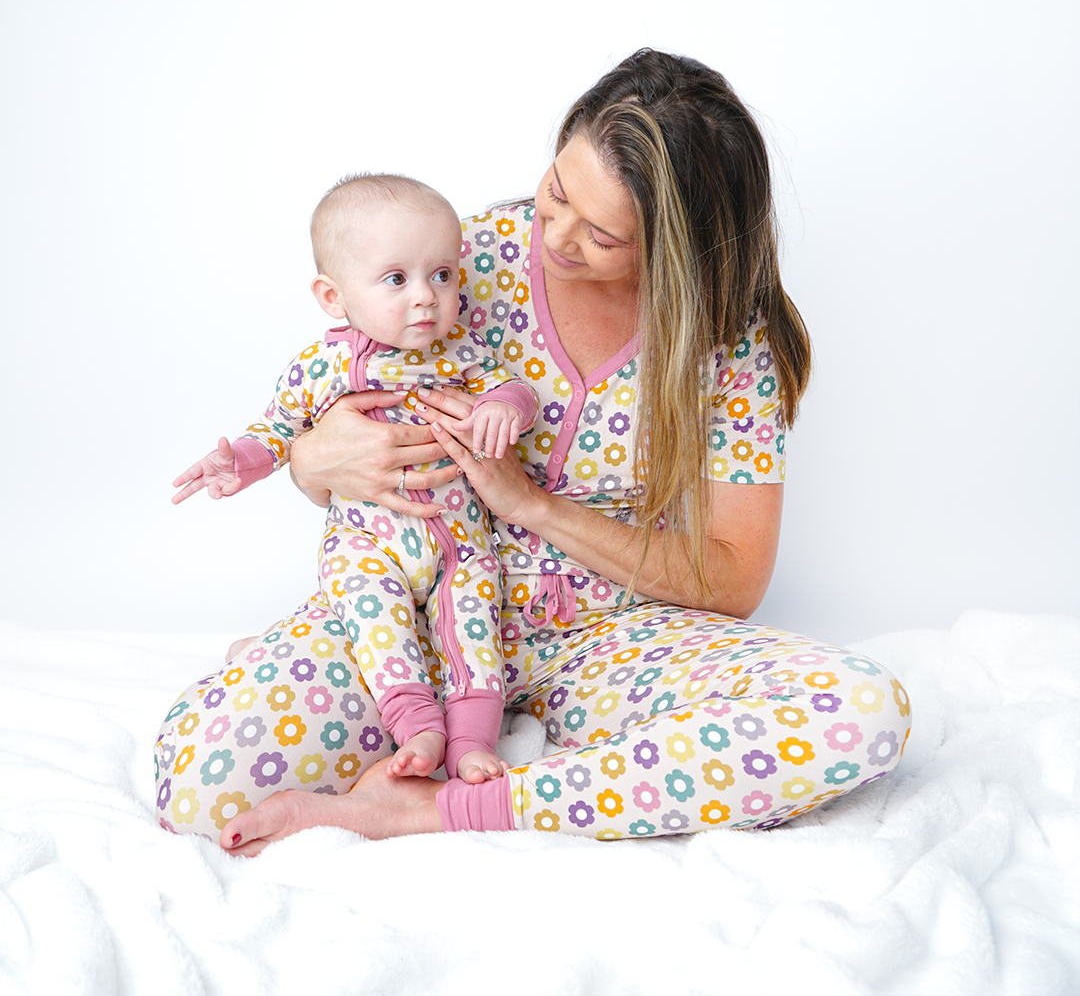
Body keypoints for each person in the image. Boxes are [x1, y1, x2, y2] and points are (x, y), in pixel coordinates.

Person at [154, 49, 910, 852]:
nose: (554, 235)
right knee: (202, 786)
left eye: (603, 233)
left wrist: (532, 505)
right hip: (417, 616)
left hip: (612, 639)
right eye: (556, 191)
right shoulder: (458, 262)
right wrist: (309, 459)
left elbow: (732, 578)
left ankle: (440, 806)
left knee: (860, 714)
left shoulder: (730, 338)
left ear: (678, 247)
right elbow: (329, 393)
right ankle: (439, 724)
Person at [168, 174, 538, 784]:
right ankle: (416, 724)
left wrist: (506, 407)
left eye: (441, 275)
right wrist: (240, 459)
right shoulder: (323, 366)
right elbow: (281, 430)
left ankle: (473, 740)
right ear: (333, 297)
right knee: (378, 626)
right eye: (397, 279)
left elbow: (511, 388)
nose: (426, 297)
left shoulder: (461, 351)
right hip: (367, 547)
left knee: (474, 628)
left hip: (461, 546)